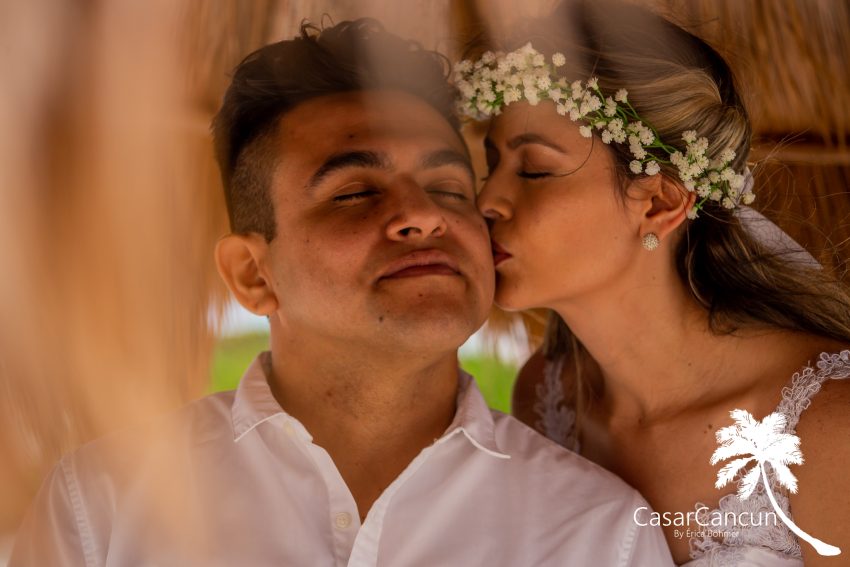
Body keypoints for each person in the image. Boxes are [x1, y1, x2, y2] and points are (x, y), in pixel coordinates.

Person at [10, 18, 673, 566]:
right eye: (355, 192)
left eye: (449, 189)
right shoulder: (99, 506)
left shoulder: (600, 532)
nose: (424, 215)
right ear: (251, 273)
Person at [458, 1, 850, 565]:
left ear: (661, 202)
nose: (487, 202)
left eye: (535, 171)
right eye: (489, 167)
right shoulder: (547, 399)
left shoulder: (830, 431)